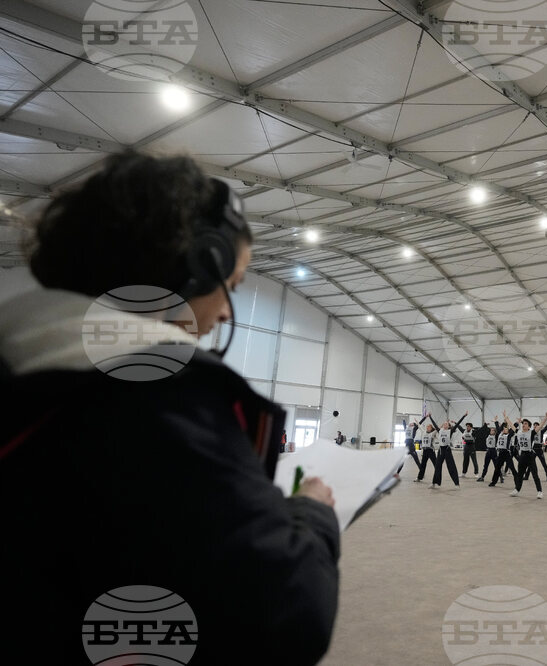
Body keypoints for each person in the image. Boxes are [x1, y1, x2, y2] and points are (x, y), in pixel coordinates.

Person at [0, 151, 340, 665]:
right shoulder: (155, 399)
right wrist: (312, 514)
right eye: (234, 285)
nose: (226, 311)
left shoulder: (20, 358)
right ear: (199, 265)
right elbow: (286, 610)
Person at [506, 410, 547, 499]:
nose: (523, 425)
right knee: (520, 475)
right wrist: (506, 418)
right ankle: (517, 490)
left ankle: (539, 491)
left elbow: (541, 426)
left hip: (530, 455)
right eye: (523, 423)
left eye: (526, 424)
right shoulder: (518, 432)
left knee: (535, 474)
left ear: (529, 426)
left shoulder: (531, 432)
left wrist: (546, 418)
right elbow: (511, 425)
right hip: (522, 455)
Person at [429, 412, 466, 489]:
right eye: (444, 423)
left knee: (451, 466)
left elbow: (458, 423)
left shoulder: (450, 431)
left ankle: (457, 484)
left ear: (449, 426)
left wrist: (463, 416)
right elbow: (435, 425)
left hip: (447, 450)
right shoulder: (440, 431)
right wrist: (430, 417)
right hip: (441, 450)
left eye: (446, 424)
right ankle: (435, 483)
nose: (445, 424)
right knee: (437, 466)